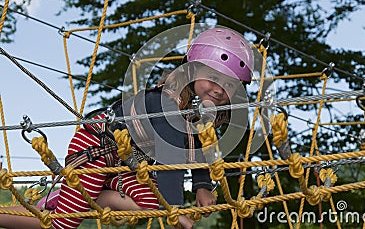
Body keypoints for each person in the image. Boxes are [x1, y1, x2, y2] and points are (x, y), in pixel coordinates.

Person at [0, 26, 254, 229]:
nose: (220, 89)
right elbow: (170, 162)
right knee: (62, 224)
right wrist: (175, 212)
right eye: (213, 78)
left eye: (230, 84)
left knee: (150, 202)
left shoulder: (194, 112)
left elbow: (197, 147)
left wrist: (202, 185)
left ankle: (88, 196)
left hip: (124, 163)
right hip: (97, 148)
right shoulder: (167, 103)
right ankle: (68, 201)